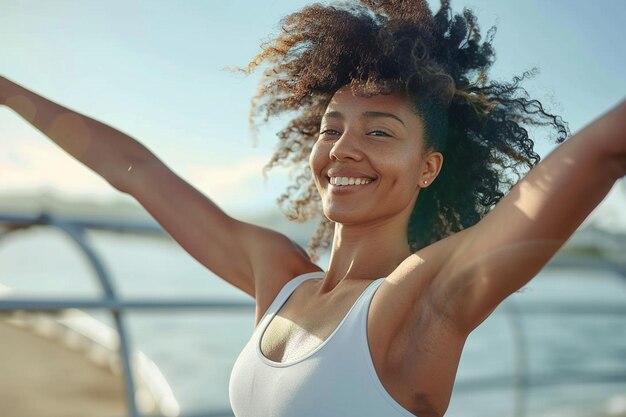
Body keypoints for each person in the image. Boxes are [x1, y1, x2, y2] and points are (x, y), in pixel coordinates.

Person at [1, 0, 624, 416]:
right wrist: (8, 92)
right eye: (331, 129)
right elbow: (137, 173)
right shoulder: (278, 278)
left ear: (428, 168)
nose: (345, 149)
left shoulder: (420, 298)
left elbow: (597, 154)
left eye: (379, 132)